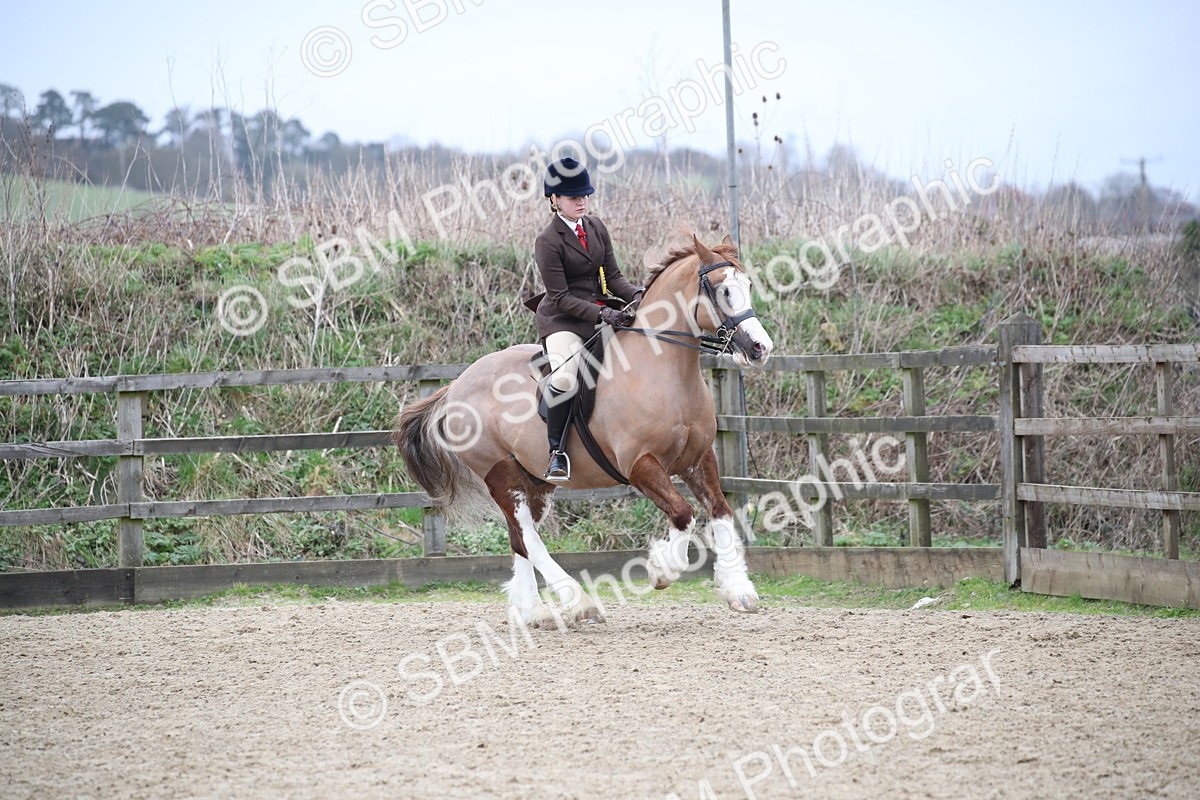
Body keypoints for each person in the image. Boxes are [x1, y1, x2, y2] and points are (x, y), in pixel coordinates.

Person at [528, 157, 641, 481]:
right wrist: (603, 313)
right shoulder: (547, 241)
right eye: (572, 197)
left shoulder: (596, 227)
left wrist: (636, 296)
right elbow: (561, 297)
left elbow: (614, 277)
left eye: (584, 195)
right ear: (554, 200)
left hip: (598, 314)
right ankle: (556, 453)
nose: (581, 201)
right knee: (565, 379)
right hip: (563, 320)